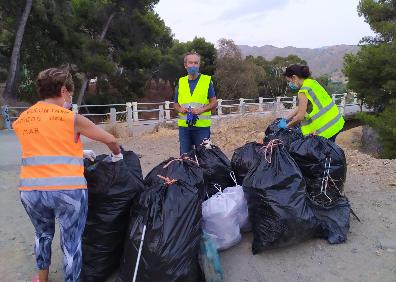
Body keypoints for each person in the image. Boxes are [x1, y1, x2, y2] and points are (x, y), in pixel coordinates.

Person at [12, 68, 123, 282]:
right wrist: (118, 156)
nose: (70, 98)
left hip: (30, 191)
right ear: (63, 90)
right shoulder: (70, 118)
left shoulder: (23, 119)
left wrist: (77, 151)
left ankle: (42, 279)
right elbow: (110, 139)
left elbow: (44, 146)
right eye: (70, 94)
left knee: (42, 235)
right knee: (71, 244)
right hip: (67, 192)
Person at [281, 64, 344, 142]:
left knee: (323, 153)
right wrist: (286, 119)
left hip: (326, 129)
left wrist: (286, 127)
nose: (289, 84)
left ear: (294, 77)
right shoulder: (312, 83)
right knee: (332, 151)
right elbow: (300, 107)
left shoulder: (303, 91)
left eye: (289, 81)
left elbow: (300, 116)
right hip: (336, 122)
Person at [173, 51, 218, 154]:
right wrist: (180, 109)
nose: (193, 65)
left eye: (196, 63)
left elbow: (214, 103)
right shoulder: (181, 82)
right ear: (185, 65)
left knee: (204, 158)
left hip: (202, 128)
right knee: (185, 158)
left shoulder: (206, 81)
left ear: (199, 65)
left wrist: (200, 110)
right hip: (184, 128)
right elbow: (175, 104)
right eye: (190, 63)